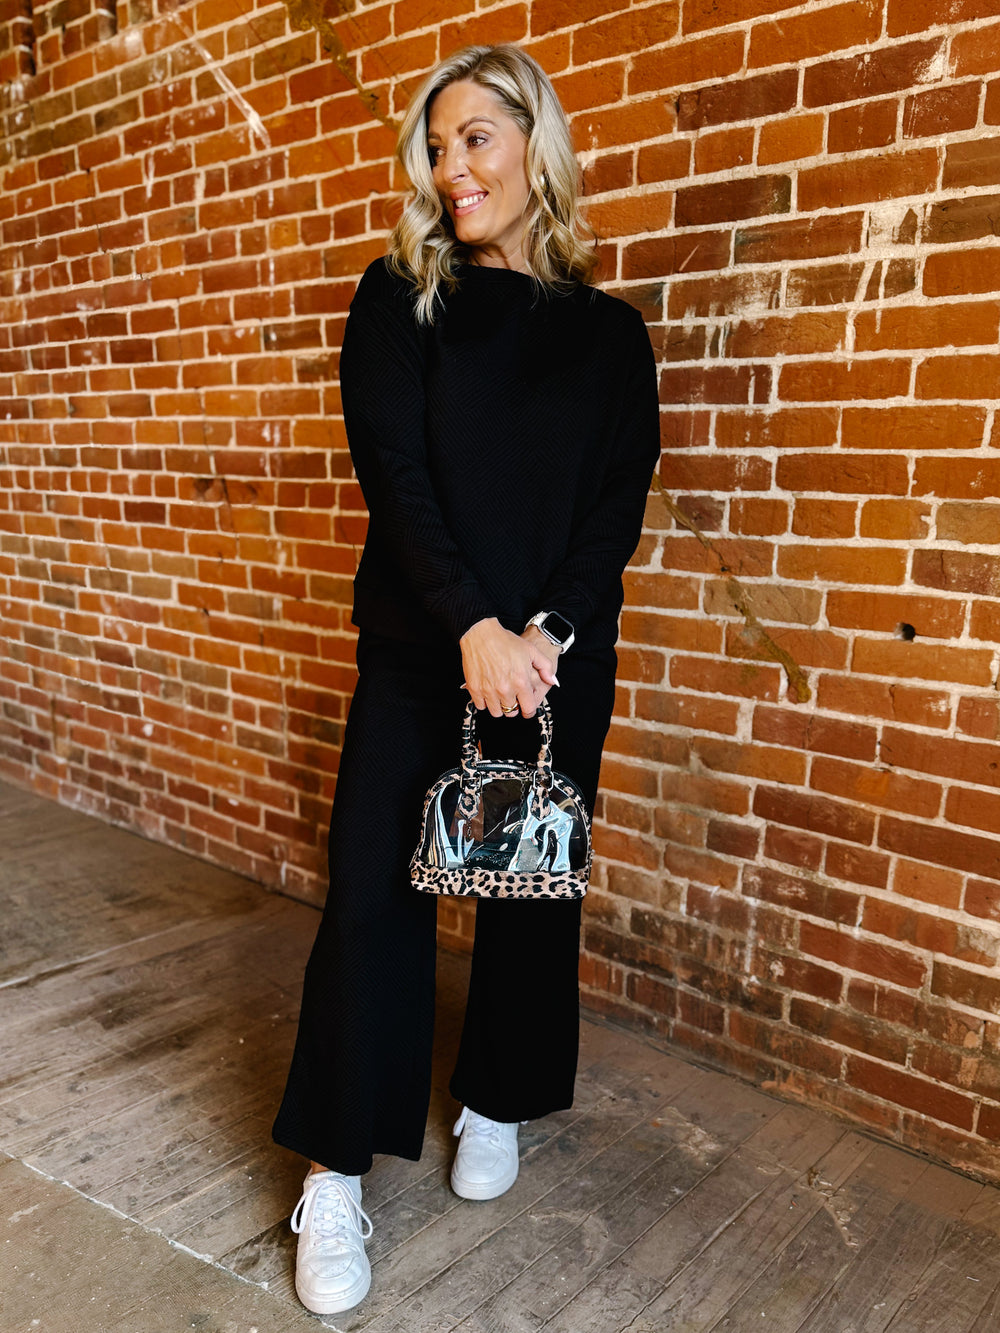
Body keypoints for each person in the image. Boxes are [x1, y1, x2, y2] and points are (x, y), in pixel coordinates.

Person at [271, 42, 661, 1317]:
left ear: (536, 145)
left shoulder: (610, 337)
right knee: (372, 897)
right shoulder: (400, 298)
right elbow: (394, 475)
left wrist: (544, 631)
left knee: (530, 885)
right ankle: (335, 1171)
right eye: (437, 147)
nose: (452, 168)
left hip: (553, 663)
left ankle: (494, 1095)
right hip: (419, 646)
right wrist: (470, 626)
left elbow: (615, 507)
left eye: (476, 137)